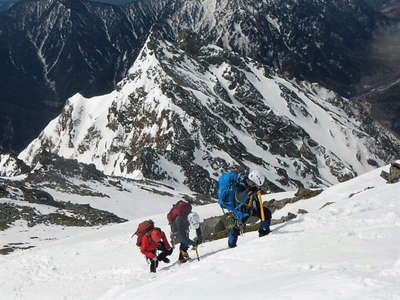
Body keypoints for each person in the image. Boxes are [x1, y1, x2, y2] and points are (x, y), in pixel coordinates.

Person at [217, 169, 272, 248]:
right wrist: (250, 191)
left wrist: (259, 207)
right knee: (237, 228)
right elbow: (239, 197)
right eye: (256, 185)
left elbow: (254, 198)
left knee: (266, 213)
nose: (258, 187)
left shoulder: (250, 185)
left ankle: (264, 231)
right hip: (241, 211)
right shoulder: (240, 185)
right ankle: (231, 244)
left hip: (249, 208)